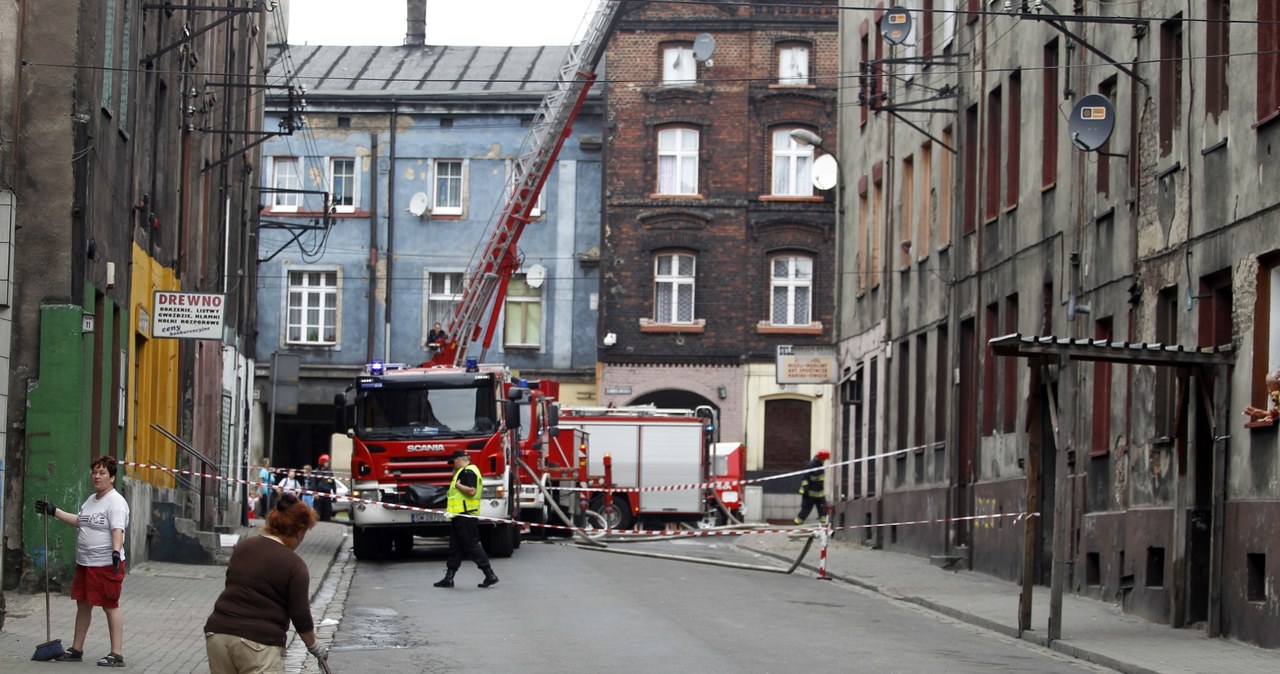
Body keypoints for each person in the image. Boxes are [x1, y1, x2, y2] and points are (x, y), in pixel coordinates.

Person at [204, 493, 329, 673]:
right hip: (258, 643)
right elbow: (300, 613)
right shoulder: (295, 565)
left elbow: (232, 582)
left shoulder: (244, 546)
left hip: (218, 634)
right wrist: (314, 646)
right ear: (299, 532)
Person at [34, 455, 130, 667]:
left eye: (102, 472)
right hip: (86, 563)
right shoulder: (91, 500)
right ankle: (76, 649)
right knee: (83, 604)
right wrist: (54, 511)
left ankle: (117, 654)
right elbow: (80, 521)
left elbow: (117, 529)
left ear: (112, 477)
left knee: (110, 605)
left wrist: (115, 553)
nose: (97, 476)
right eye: (94, 472)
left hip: (106, 564)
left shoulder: (115, 502)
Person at [433, 450, 499, 589]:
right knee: (455, 548)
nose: (453, 465)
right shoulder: (464, 471)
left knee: (472, 545)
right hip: (459, 515)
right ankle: (449, 578)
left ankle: (490, 574)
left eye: (453, 462)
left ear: (458, 459)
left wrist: (458, 485)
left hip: (466, 515)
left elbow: (472, 491)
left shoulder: (468, 471)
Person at [794, 448, 830, 525]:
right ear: (820, 458)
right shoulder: (811, 466)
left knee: (823, 508)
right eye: (824, 459)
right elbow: (805, 478)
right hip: (809, 494)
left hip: (819, 493)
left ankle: (823, 524)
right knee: (806, 509)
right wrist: (806, 489)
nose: (824, 461)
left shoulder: (820, 466)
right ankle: (797, 524)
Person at [312, 454, 336, 521]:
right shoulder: (316, 472)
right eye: (327, 462)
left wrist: (334, 494)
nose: (328, 463)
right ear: (322, 462)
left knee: (327, 513)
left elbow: (333, 484)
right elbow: (313, 484)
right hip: (319, 495)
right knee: (317, 513)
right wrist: (315, 493)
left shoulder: (329, 472)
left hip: (327, 495)